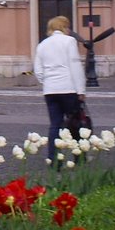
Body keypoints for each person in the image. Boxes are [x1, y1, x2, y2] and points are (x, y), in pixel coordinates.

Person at [32, 15, 86, 164]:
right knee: (75, 124)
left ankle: (54, 159)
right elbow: (75, 66)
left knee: (55, 125)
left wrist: (47, 81)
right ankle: (79, 156)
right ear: (64, 27)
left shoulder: (42, 44)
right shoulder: (69, 41)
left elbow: (38, 70)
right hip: (68, 88)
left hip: (50, 90)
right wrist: (81, 90)